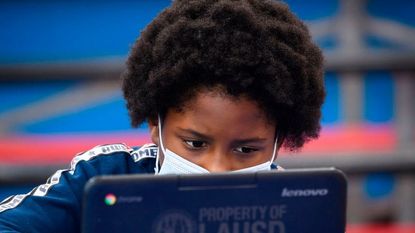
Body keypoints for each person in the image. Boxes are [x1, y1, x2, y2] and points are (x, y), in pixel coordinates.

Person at [0, 0, 325, 232]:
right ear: (156, 124)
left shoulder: (293, 205)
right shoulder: (104, 177)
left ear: (279, 140)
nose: (216, 169)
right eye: (195, 143)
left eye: (245, 150)